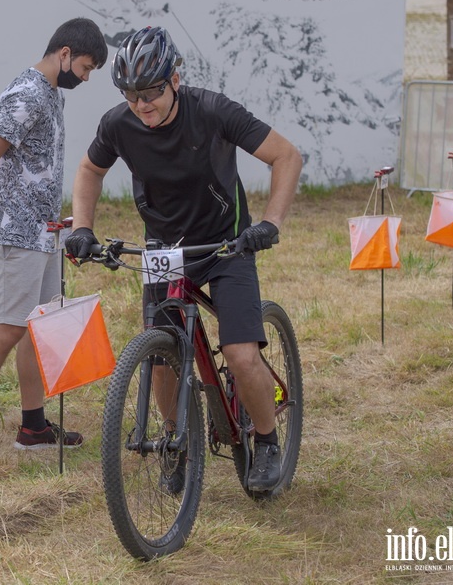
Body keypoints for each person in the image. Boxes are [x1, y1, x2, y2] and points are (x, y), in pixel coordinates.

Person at [65, 26, 302, 492]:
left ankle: (269, 442)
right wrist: (81, 229)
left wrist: (269, 224)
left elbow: (286, 156)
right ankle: (179, 445)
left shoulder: (213, 111)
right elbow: (90, 170)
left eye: (151, 91)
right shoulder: (118, 123)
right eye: (130, 94)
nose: (141, 104)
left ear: (175, 79)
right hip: (165, 251)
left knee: (238, 353)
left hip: (225, 247)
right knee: (159, 354)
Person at [0, 18, 108, 459]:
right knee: (6, 329)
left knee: (40, 329)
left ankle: (33, 428)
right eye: (87, 67)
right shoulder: (27, 93)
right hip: (15, 233)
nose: (86, 78)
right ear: (65, 53)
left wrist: (55, 215)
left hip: (42, 232)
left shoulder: (50, 95)